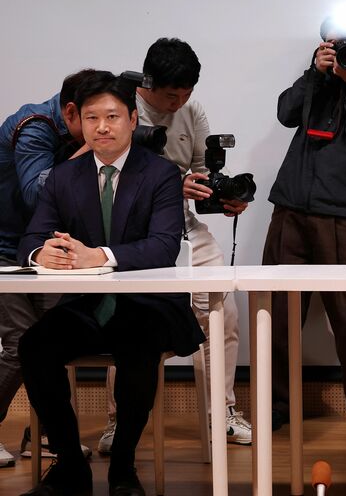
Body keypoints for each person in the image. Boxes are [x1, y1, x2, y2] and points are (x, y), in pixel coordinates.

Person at [17, 71, 206, 496]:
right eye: (92, 118)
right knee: (33, 346)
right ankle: (70, 466)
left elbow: (162, 246)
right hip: (86, 304)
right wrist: (40, 253)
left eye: (112, 116)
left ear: (132, 120)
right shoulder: (64, 177)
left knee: (138, 347)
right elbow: (31, 238)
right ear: (79, 121)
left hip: (147, 304)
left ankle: (123, 468)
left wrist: (99, 256)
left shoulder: (160, 173)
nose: (102, 127)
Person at [98, 38, 253, 453]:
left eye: (186, 94)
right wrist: (169, 184)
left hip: (184, 227)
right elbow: (107, 170)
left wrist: (219, 195)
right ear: (148, 83)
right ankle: (117, 420)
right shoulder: (120, 108)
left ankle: (221, 412)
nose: (178, 103)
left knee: (223, 312)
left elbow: (200, 170)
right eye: (171, 96)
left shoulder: (191, 110)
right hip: (130, 231)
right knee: (127, 319)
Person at [263, 15, 346, 429]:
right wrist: (314, 75)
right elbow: (286, 113)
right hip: (291, 208)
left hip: (343, 214)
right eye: (333, 43)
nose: (342, 50)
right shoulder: (314, 81)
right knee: (279, 313)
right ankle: (277, 402)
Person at [0, 69, 96, 466]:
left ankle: (46, 436)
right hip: (5, 248)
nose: (100, 127)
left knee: (51, 343)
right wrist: (89, 151)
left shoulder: (72, 130)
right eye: (91, 118)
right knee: (20, 344)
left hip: (45, 248)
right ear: (71, 112)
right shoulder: (34, 125)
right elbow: (35, 192)